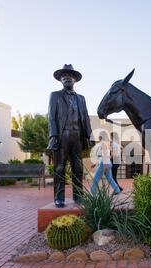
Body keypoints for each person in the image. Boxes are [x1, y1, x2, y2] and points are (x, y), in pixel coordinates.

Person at [47, 64, 93, 208]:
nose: (66, 78)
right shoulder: (55, 95)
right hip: (62, 135)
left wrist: (89, 134)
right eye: (64, 76)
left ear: (75, 80)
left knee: (78, 167)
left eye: (69, 76)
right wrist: (53, 135)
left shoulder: (81, 98)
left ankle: (78, 196)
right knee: (59, 168)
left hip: (78, 136)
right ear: (60, 80)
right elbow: (51, 117)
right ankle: (59, 197)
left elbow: (85, 117)